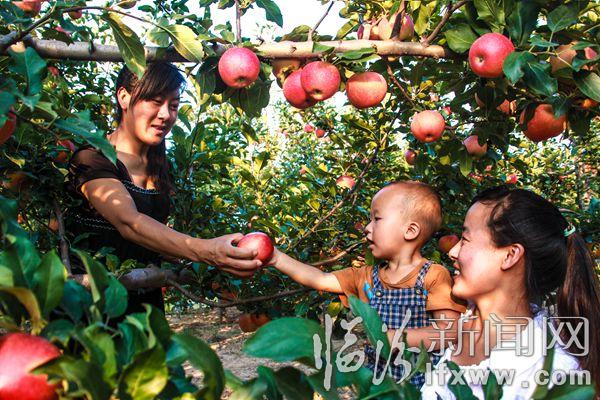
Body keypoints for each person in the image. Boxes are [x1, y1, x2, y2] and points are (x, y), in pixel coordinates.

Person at [66, 62, 261, 314]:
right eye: (155, 102)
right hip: (91, 305)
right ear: (124, 97)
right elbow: (129, 223)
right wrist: (206, 250)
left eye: (174, 106)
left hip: (145, 303)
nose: (166, 114)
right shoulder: (92, 159)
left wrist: (220, 259)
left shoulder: (159, 166)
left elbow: (153, 236)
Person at [267, 181, 466, 386]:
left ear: (410, 230)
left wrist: (398, 338)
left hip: (418, 386)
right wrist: (276, 257)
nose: (367, 228)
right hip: (376, 384)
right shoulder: (366, 277)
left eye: (376, 219)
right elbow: (320, 279)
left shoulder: (433, 276)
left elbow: (450, 332)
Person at [421, 186, 600, 399]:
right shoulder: (461, 322)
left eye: (465, 239)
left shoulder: (549, 375)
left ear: (510, 256)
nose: (452, 251)